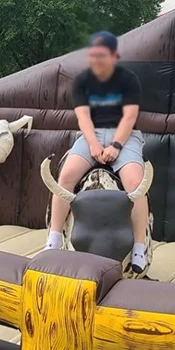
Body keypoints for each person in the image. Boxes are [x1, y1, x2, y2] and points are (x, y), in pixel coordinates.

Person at [45, 31, 150, 273]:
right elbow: (83, 116)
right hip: (91, 135)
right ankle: (54, 238)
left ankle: (138, 246)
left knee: (136, 183)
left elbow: (130, 116)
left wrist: (115, 145)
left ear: (114, 56)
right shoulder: (82, 81)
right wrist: (93, 145)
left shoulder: (129, 80)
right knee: (65, 177)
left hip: (124, 135)